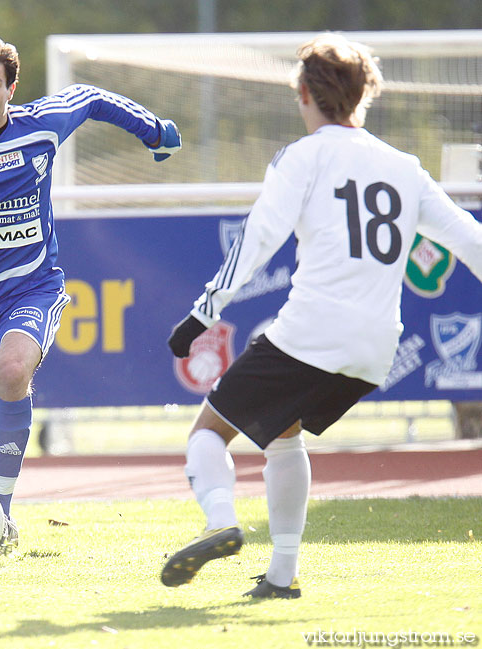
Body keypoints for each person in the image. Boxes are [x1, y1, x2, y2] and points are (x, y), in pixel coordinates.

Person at [162, 33, 482, 599]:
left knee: (207, 433)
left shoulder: (303, 155)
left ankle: (219, 523)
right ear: (363, 97)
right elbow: (467, 238)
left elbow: (258, 238)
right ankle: (280, 578)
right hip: (376, 347)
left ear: (304, 93)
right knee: (282, 439)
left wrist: (202, 313)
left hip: (313, 330)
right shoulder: (403, 165)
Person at [0, 35, 181, 568]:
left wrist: (153, 129)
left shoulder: (40, 125)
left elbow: (89, 96)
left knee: (13, 367)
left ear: (10, 89)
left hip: (32, 287)